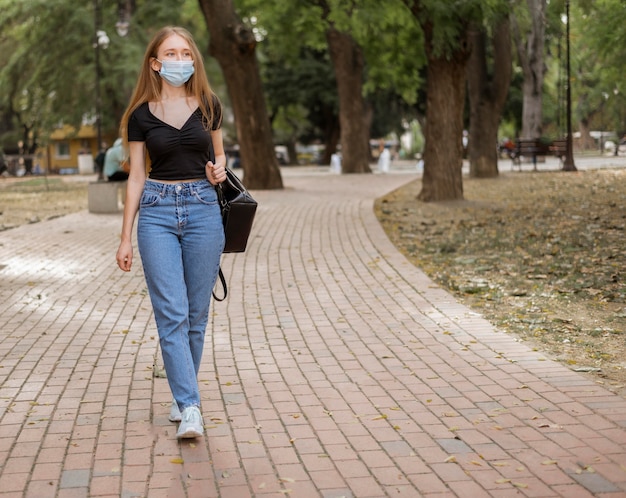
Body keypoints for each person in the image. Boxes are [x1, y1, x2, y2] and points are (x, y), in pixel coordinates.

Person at [115, 26, 227, 439]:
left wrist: (219, 170)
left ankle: (183, 397)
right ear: (156, 63)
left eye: (186, 52)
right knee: (172, 314)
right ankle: (192, 407)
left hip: (202, 209)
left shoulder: (210, 105)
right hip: (157, 214)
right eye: (171, 53)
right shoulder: (140, 116)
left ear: (193, 59)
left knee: (196, 316)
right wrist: (125, 236)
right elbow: (136, 177)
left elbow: (218, 157)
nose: (180, 59)